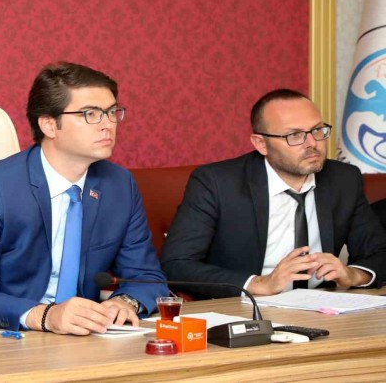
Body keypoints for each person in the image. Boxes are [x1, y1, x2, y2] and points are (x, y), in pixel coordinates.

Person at [0, 62, 168, 335]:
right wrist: (46, 316)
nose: (107, 125)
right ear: (50, 125)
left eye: (112, 112)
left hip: (75, 337)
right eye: (91, 114)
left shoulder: (118, 185)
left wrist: (125, 302)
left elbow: (146, 276)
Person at [160, 89, 386, 299]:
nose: (312, 144)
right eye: (294, 135)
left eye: (318, 130)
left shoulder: (343, 179)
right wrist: (259, 284)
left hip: (322, 308)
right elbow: (176, 264)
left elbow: (380, 252)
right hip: (245, 308)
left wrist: (353, 275)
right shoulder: (217, 183)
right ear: (261, 144)